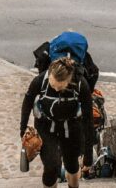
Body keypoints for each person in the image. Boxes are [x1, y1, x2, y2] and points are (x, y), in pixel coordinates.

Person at [20, 57, 94, 188]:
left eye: (59, 87)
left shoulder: (81, 85)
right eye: (52, 84)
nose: (54, 88)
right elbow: (27, 103)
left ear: (68, 81)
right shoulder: (41, 80)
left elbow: (88, 120)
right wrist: (23, 129)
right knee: (51, 167)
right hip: (46, 126)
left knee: (72, 165)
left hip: (71, 126)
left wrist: (88, 155)